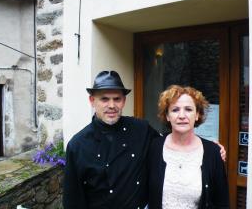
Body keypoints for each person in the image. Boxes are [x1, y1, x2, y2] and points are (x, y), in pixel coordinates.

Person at [63, 71, 227, 209]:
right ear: (92, 101)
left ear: (124, 101)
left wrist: (210, 148)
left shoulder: (140, 129)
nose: (111, 105)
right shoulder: (77, 146)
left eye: (117, 99)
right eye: (104, 99)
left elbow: (175, 142)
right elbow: (73, 201)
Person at [148, 85, 229, 209]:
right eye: (175, 110)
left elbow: (221, 202)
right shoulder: (154, 147)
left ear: (197, 114)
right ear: (167, 116)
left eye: (188, 109)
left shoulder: (212, 153)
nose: (182, 115)